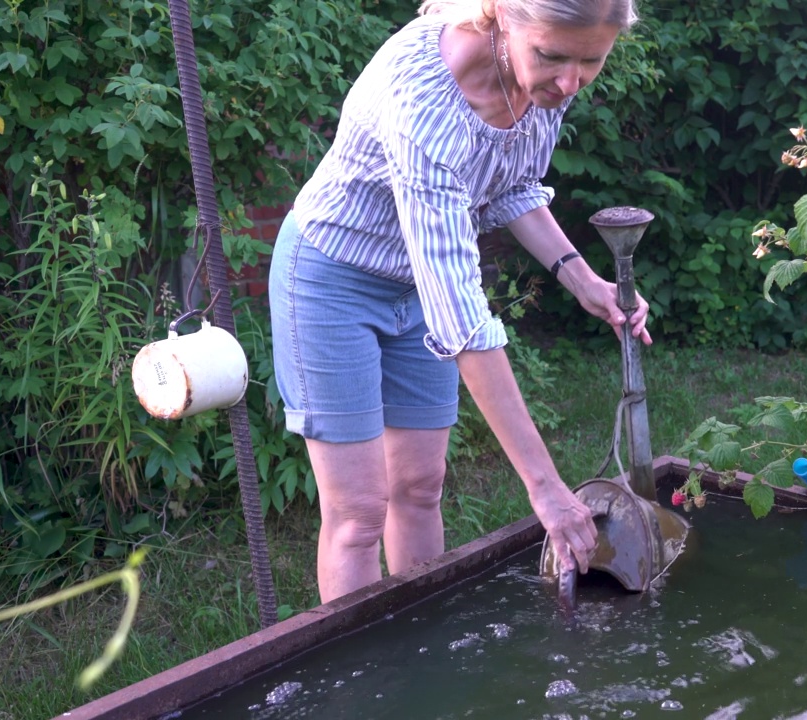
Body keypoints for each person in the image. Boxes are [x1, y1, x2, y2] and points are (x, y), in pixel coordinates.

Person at [268, 0, 650, 604]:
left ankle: (423, 659)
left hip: (420, 289)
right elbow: (463, 320)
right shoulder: (422, 97)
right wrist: (545, 487)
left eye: (590, 62)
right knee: (360, 513)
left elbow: (513, 183)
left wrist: (582, 279)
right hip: (331, 279)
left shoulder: (550, 76)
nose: (570, 82)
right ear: (501, 15)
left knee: (420, 486)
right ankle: (369, 685)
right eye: (551, 57)